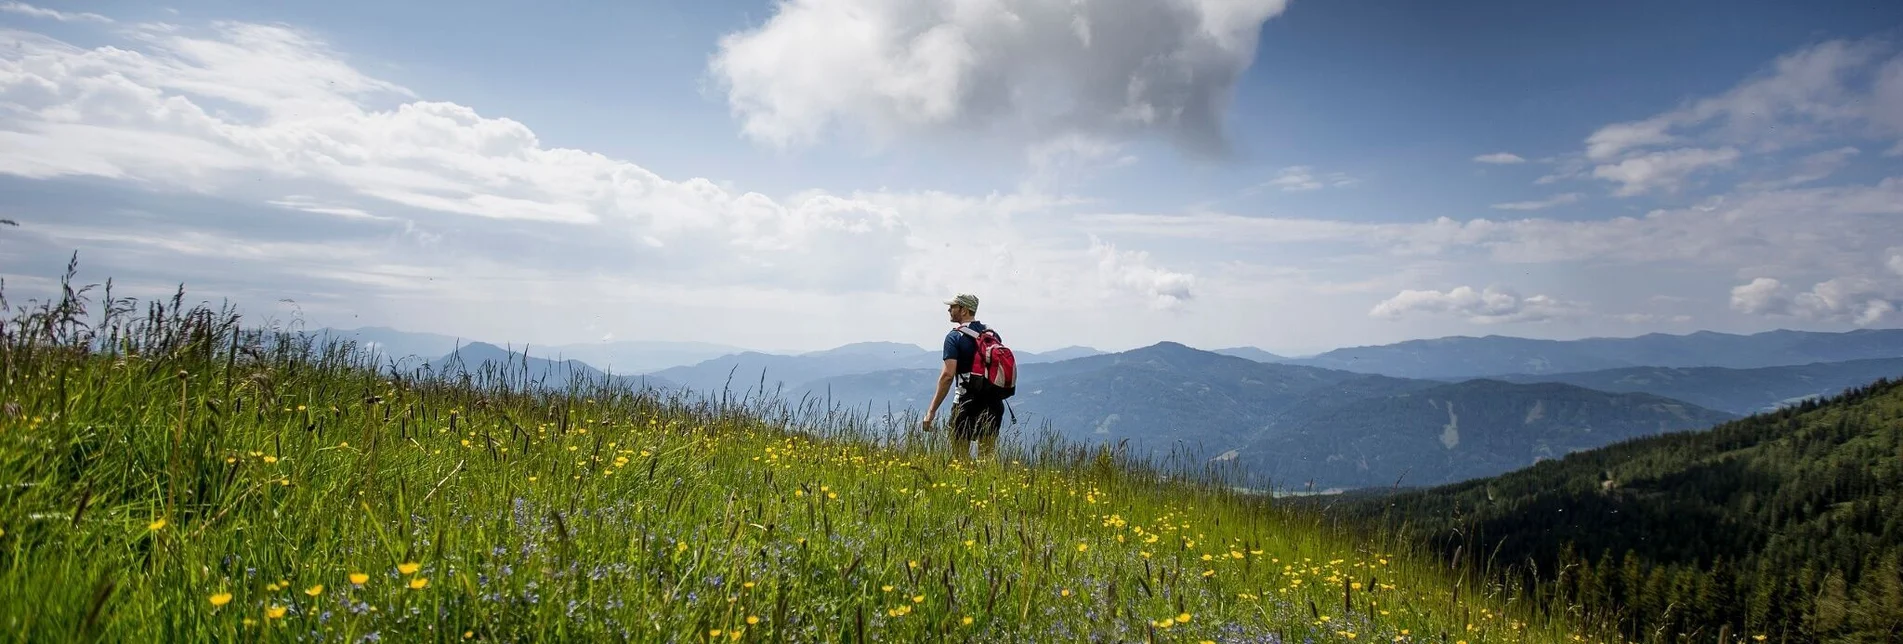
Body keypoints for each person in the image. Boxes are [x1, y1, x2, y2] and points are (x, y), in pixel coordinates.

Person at [923, 293, 1005, 460]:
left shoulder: (954, 337)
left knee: (960, 459)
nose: (949, 309)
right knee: (987, 459)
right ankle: (987, 486)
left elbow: (947, 376)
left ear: (964, 310)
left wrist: (931, 411)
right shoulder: (992, 335)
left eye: (953, 306)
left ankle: (966, 485)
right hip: (994, 403)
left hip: (965, 404)